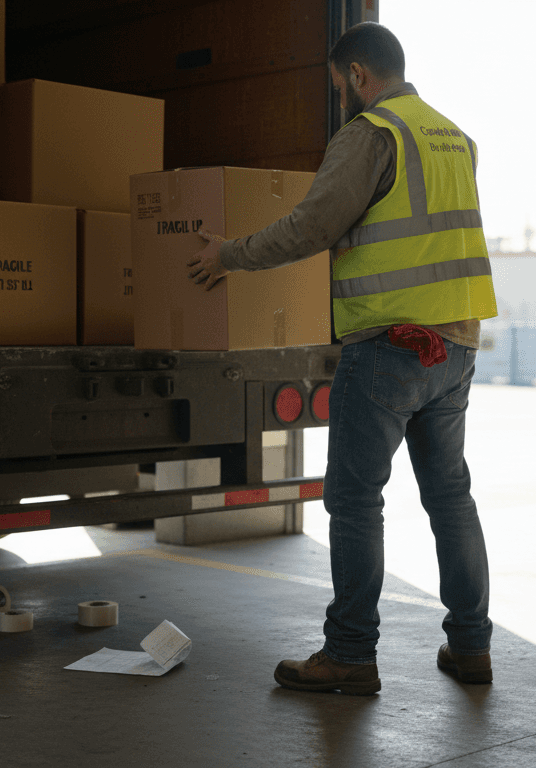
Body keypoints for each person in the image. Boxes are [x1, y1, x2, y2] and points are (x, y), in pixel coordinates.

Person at [186, 21, 497, 695]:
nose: (339, 102)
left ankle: (351, 654)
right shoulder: (453, 136)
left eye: (338, 87)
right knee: (450, 496)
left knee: (355, 500)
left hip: (390, 345)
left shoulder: (371, 134)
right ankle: (471, 647)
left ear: (359, 75)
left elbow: (313, 226)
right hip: (456, 345)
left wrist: (228, 256)